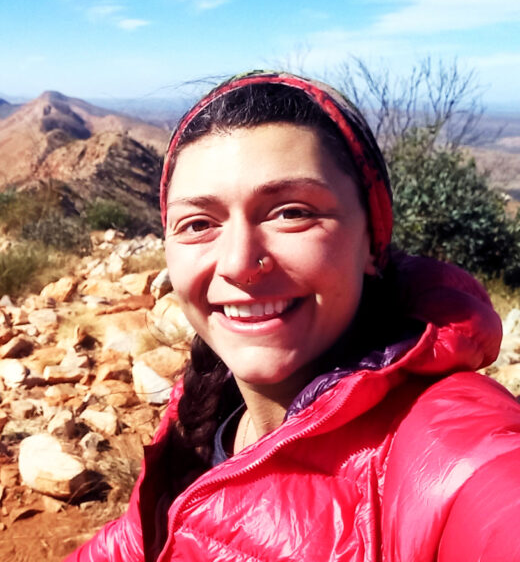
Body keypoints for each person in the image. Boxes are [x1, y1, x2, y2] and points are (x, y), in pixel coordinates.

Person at [66, 72, 520, 561]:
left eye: (290, 212)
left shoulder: (446, 451)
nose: (239, 262)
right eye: (199, 223)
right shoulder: (202, 410)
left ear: (372, 239)